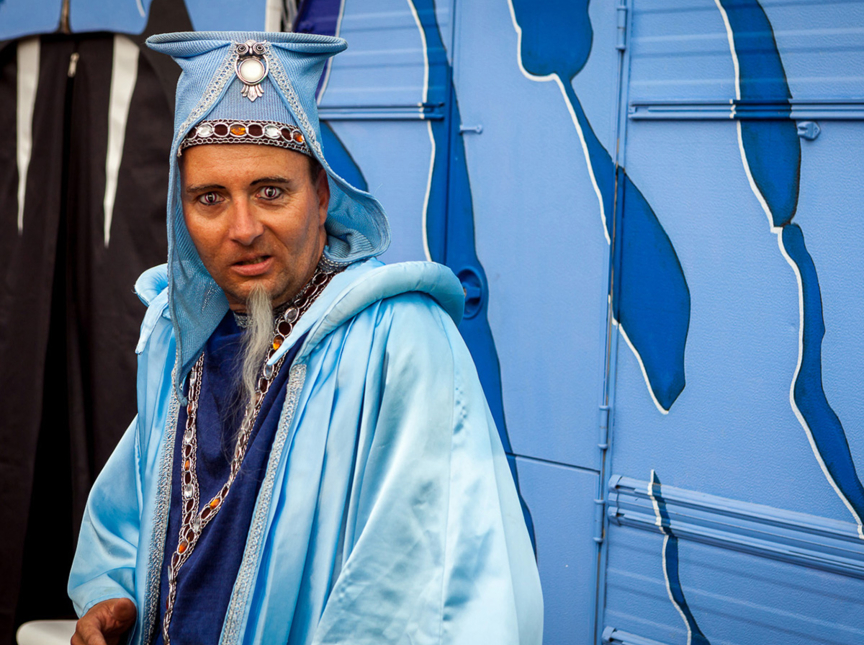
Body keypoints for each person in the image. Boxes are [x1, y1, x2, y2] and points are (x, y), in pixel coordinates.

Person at [68, 30, 543, 645]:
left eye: (271, 192)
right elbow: (128, 511)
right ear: (179, 211)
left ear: (321, 196)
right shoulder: (177, 338)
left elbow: (427, 596)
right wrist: (113, 594)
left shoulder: (398, 344)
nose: (243, 228)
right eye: (210, 198)